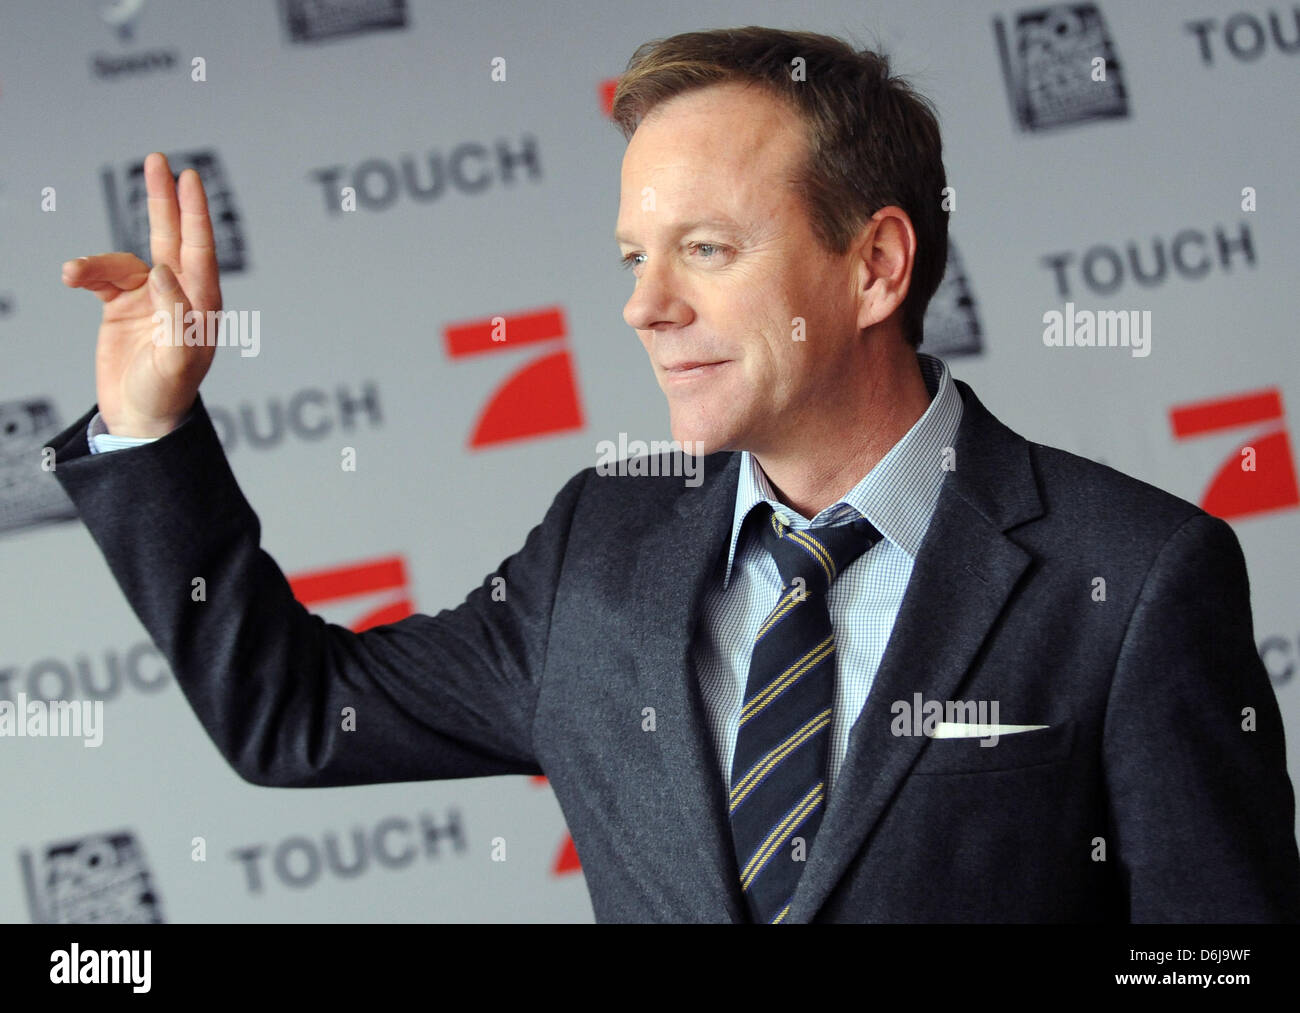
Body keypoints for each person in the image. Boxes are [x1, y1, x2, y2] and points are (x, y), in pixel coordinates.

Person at [52, 26, 1300, 923]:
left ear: (873, 268)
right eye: (633, 257)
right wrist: (150, 430)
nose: (647, 307)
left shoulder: (1130, 575)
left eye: (704, 249)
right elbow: (291, 715)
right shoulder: (599, 551)